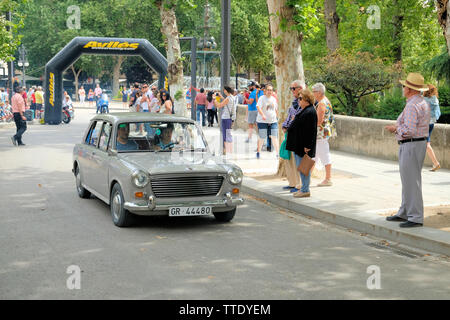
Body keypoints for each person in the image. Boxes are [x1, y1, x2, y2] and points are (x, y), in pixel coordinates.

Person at [385, 73, 430, 228]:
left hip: (411, 144)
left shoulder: (412, 105)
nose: (403, 88)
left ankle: (415, 216)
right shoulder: (421, 102)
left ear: (410, 89)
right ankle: (405, 211)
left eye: (404, 86)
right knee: (409, 181)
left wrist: (395, 129)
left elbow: (409, 130)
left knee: (411, 181)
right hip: (416, 144)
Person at [286, 89, 318, 198]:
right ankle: (303, 188)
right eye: (298, 98)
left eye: (300, 98)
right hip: (298, 144)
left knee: (304, 168)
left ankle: (305, 190)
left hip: (303, 146)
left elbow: (311, 131)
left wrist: (308, 146)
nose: (298, 100)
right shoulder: (304, 110)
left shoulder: (310, 111)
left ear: (306, 99)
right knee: (301, 167)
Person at [281, 80, 303, 192]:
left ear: (300, 88)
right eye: (291, 89)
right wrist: (284, 126)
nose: (292, 91)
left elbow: (298, 118)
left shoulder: (304, 101)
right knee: (289, 159)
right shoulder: (294, 102)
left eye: (293, 88)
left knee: (297, 160)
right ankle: (292, 182)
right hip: (290, 133)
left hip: (298, 134)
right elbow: (290, 116)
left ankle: (299, 184)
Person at [312, 83, 335, 187]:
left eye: (314, 91)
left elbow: (319, 120)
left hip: (320, 133)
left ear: (319, 92)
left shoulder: (321, 103)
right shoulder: (326, 101)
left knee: (323, 155)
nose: (313, 94)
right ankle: (306, 177)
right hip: (323, 133)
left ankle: (328, 178)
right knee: (315, 156)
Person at [255, 84, 279, 159]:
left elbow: (276, 109)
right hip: (262, 121)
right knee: (262, 137)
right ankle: (258, 152)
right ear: (265, 90)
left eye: (271, 90)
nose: (269, 91)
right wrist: (263, 115)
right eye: (268, 90)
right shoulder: (262, 98)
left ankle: (278, 154)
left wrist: (278, 117)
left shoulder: (274, 99)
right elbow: (258, 107)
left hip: (273, 121)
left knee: (274, 137)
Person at [423, 84, 441, 171]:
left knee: (426, 144)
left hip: (424, 124)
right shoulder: (435, 100)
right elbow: (438, 113)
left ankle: (436, 163)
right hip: (431, 123)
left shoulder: (423, 100)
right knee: (424, 143)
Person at [214, 86, 236, 154]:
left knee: (225, 135)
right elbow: (227, 102)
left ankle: (226, 151)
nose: (223, 91)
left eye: (224, 90)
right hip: (229, 118)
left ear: (226, 91)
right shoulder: (232, 97)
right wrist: (221, 97)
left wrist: (214, 99)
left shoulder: (228, 98)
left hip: (225, 118)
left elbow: (219, 105)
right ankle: (229, 151)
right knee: (228, 134)